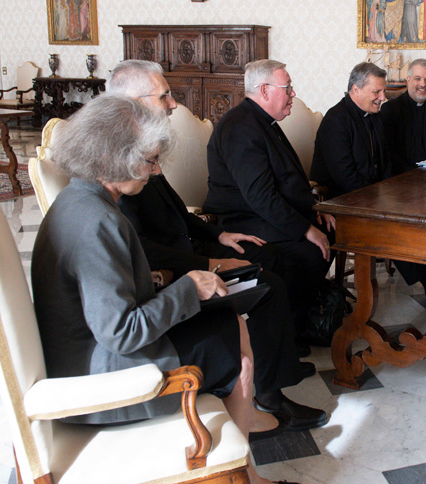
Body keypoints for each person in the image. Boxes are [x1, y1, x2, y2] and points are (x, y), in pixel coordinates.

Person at [30, 95, 299, 484]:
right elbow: (121, 333)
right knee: (235, 344)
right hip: (101, 378)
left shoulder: (80, 199)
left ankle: (245, 470)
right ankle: (243, 476)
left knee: (229, 322)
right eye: (148, 160)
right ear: (112, 157)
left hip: (86, 354)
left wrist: (158, 281)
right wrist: (189, 286)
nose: (154, 171)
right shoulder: (98, 221)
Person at [108, 59, 328, 434]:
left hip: (195, 249)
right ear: (134, 101)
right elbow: (140, 246)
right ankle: (270, 398)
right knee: (269, 282)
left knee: (270, 271)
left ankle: (276, 363)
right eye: (165, 96)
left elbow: (178, 213)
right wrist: (207, 260)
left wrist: (218, 238)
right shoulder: (120, 160)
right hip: (172, 273)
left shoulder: (138, 149)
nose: (174, 105)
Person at [311, 62, 426, 304]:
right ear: (355, 90)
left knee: (412, 209)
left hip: (369, 193)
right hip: (343, 202)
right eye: (376, 92)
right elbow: (344, 176)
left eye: (383, 92)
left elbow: (385, 160)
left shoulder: (373, 116)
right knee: (397, 222)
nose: (382, 98)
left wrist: (396, 191)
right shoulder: (336, 120)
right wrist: (382, 197)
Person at [203, 59, 336, 344]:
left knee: (331, 233)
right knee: (309, 251)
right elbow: (261, 196)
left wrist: (313, 213)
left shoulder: (263, 122)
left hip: (263, 215)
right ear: (264, 91)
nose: (293, 94)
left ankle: (297, 322)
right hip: (243, 220)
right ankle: (286, 335)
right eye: (287, 88)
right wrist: (305, 228)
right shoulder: (241, 127)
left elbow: (288, 183)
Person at [381, 58, 426, 174]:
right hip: (398, 178)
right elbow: (389, 151)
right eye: (418, 79)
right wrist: (412, 175)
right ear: (408, 80)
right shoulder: (391, 109)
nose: (423, 84)